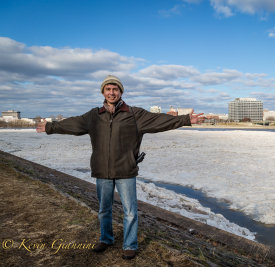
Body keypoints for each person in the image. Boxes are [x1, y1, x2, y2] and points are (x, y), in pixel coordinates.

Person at [36, 75, 203, 260]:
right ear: (103, 92)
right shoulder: (94, 115)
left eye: (115, 89)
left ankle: (130, 244)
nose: (112, 92)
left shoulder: (134, 114)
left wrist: (186, 119)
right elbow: (73, 124)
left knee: (130, 211)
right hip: (103, 171)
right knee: (104, 209)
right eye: (108, 89)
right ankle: (106, 239)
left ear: (121, 92)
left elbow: (159, 121)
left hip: (125, 170)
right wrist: (50, 127)